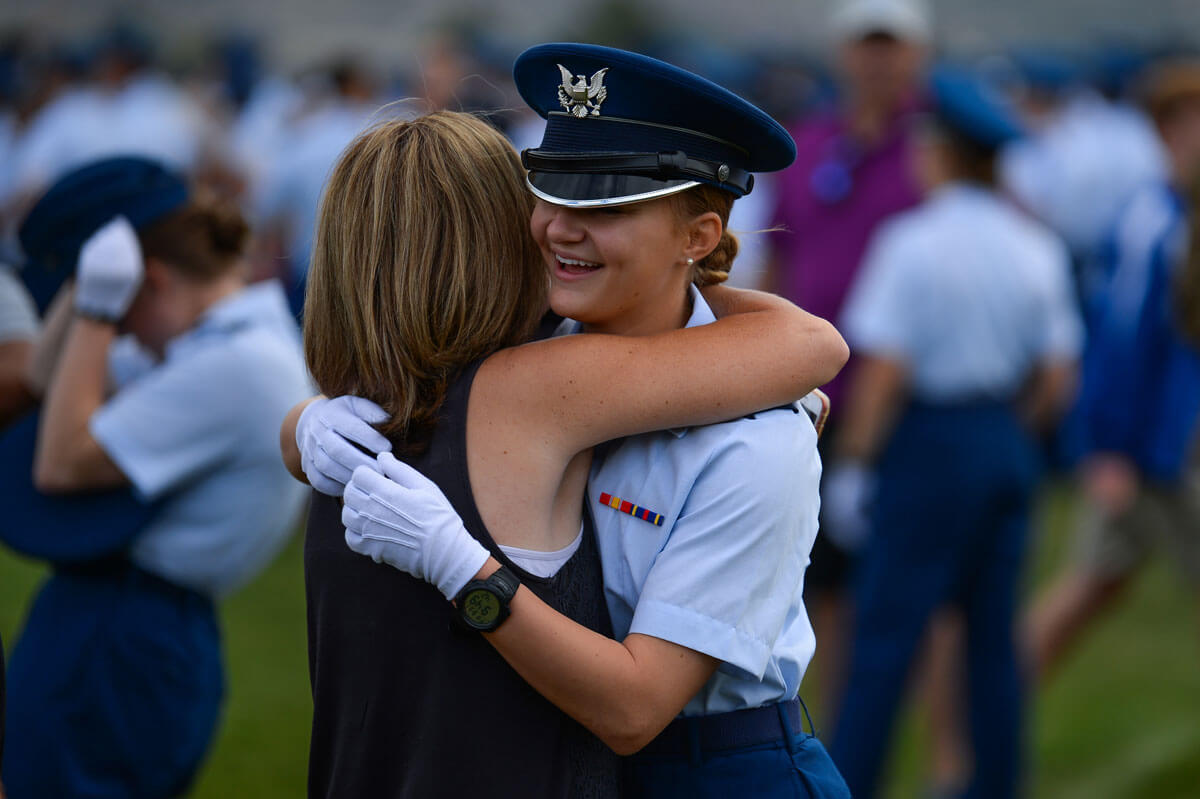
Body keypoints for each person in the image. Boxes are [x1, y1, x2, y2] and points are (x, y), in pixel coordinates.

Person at [294, 44, 851, 797]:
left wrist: (462, 569)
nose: (560, 228)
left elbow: (636, 708)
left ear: (697, 236)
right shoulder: (534, 340)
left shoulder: (757, 440)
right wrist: (307, 425)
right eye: (550, 193)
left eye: (607, 206)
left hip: (710, 767)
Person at [1, 156, 310, 798]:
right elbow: (44, 384)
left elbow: (59, 464)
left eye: (123, 313)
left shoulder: (237, 364)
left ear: (154, 282)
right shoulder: (228, 341)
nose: (123, 339)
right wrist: (92, 291)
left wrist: (93, 309)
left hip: (121, 637)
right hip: (132, 627)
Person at [824, 70, 1082, 798]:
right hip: (1001, 435)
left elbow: (884, 373)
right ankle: (995, 783)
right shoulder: (1034, 243)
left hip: (929, 443)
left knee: (884, 639)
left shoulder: (913, 241)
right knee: (991, 642)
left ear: (939, 151)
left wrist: (853, 465)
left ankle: (849, 784)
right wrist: (1009, 432)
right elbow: (1059, 373)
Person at [765, 0, 930, 713]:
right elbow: (778, 260)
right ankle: (834, 726)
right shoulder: (809, 145)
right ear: (843, 54)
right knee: (817, 579)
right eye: (867, 46)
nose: (877, 61)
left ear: (916, 56)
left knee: (913, 587)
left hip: (909, 398)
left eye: (891, 47)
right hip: (814, 393)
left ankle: (920, 732)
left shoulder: (935, 145)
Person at [1027, 60, 1200, 682]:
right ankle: (983, 719)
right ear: (1167, 131)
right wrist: (1106, 444)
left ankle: (984, 714)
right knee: (1088, 588)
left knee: (1094, 586)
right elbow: (1120, 340)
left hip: (1168, 441)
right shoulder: (1153, 219)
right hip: (1156, 450)